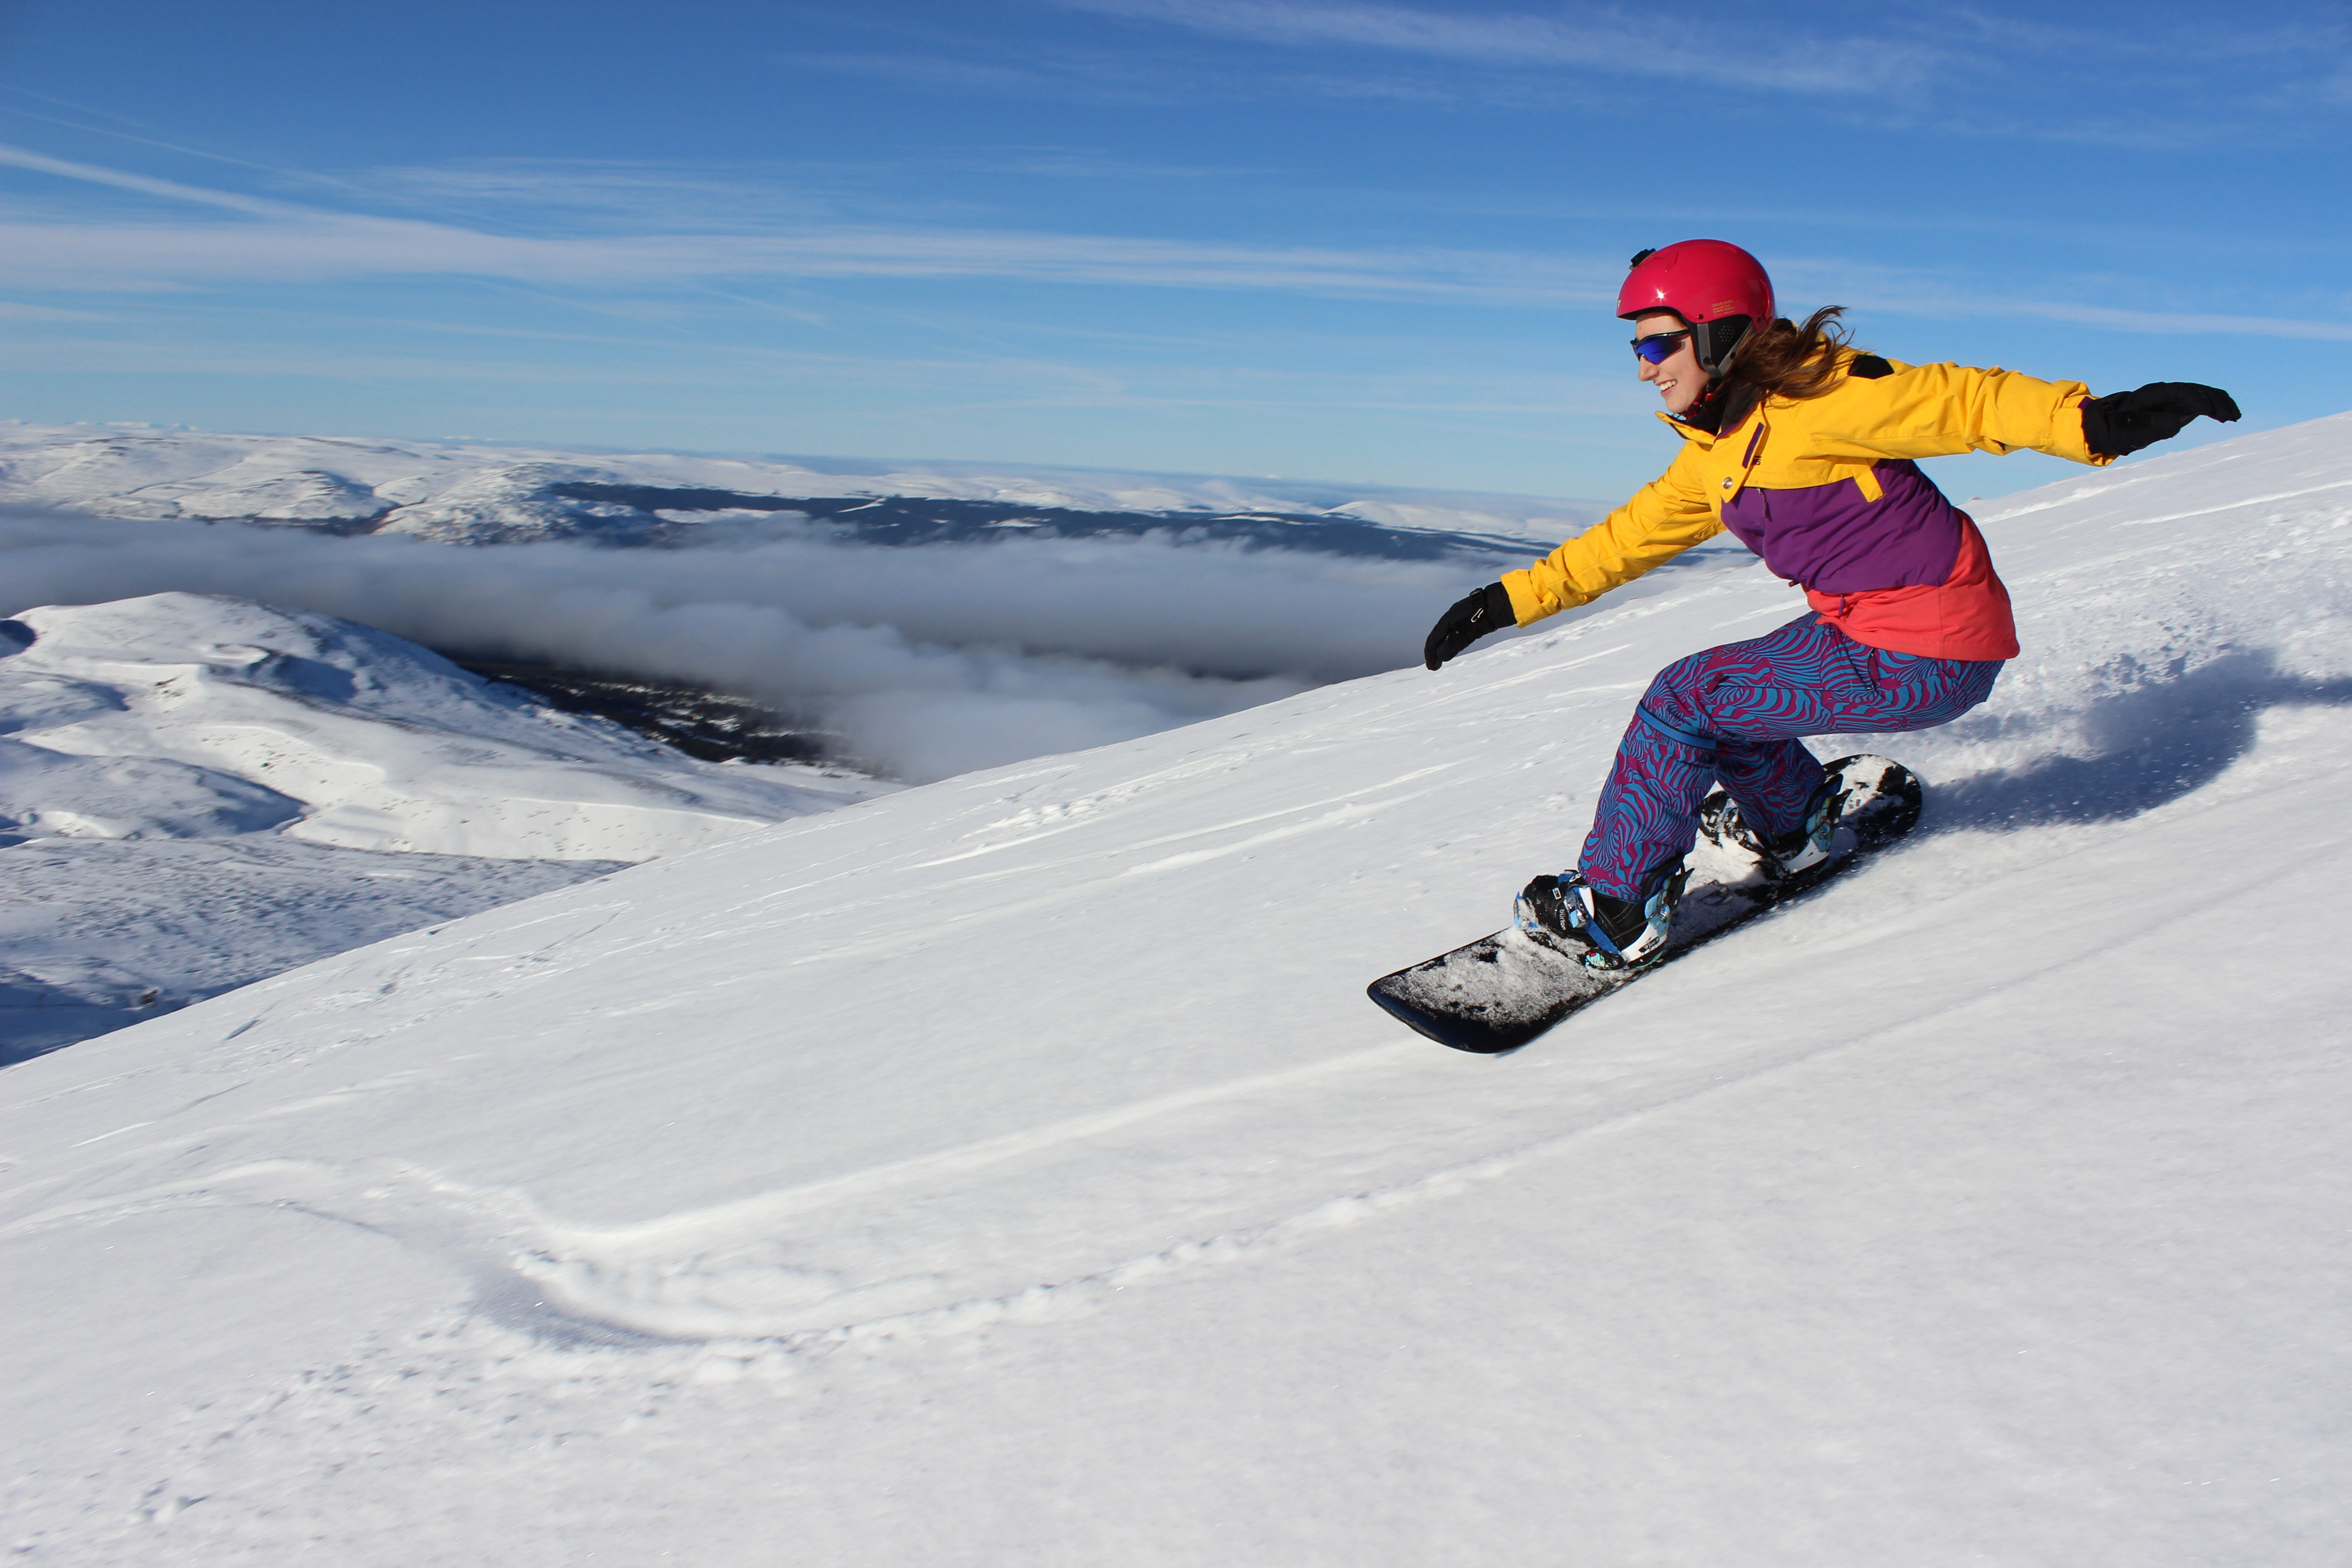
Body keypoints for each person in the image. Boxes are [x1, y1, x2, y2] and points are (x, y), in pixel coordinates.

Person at [1421, 239, 2239, 969]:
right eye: (1638, 346)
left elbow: (1962, 401)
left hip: (1923, 649)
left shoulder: (1825, 398)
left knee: (1684, 700)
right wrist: (1504, 601)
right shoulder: (1719, 451)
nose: (1644, 367)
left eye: (1657, 343)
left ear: (1717, 332)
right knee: (1723, 698)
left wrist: (2095, 421)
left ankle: (1616, 910)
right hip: (1877, 630)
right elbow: (1624, 540)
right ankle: (1795, 824)